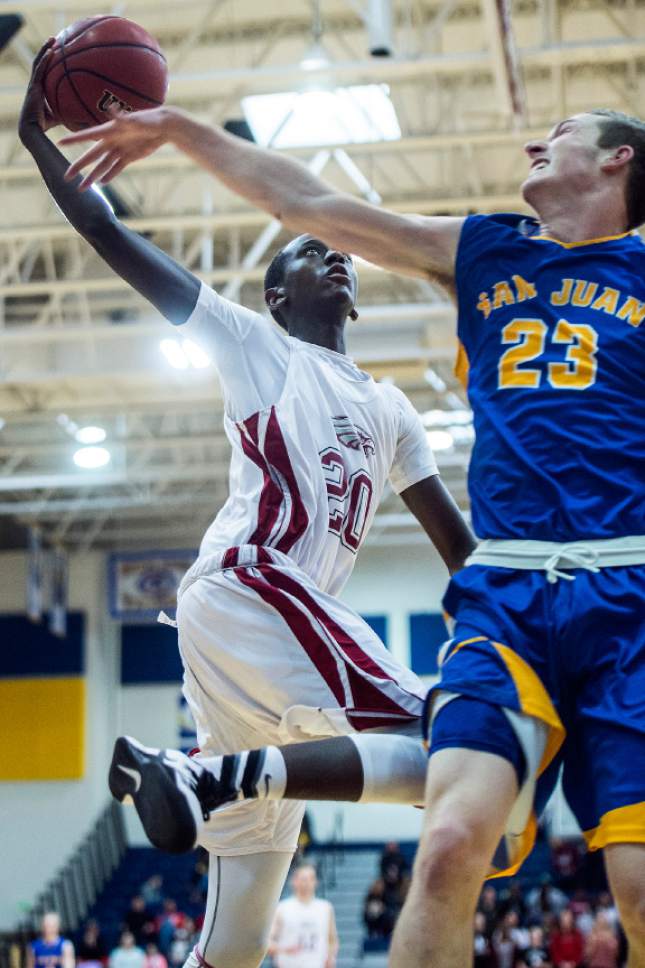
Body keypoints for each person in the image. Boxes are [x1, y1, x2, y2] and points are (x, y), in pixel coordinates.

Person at [61, 93, 645, 966]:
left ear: (618, 161)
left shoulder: (391, 403)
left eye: (560, 134)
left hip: (607, 585)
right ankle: (217, 772)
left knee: (247, 929)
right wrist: (175, 127)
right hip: (360, 588)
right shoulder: (479, 253)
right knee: (443, 812)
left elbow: (450, 538)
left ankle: (219, 776)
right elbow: (301, 204)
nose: (534, 140)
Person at [19, 42, 475, 968]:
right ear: (275, 294)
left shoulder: (391, 410)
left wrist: (507, 622)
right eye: (311, 250)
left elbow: (456, 547)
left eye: (339, 250)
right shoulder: (252, 346)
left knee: (231, 944)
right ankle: (195, 774)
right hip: (250, 588)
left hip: (253, 634)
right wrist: (34, 135)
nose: (333, 254)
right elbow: (111, 237)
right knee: (451, 748)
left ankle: (196, 777)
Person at [267, 864, 338, 968]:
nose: (306, 883)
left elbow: (332, 939)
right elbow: (266, 942)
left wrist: (331, 957)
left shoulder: (325, 908)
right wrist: (283, 950)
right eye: (303, 879)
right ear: (294, 881)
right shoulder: (282, 908)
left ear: (316, 882)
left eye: (310, 879)